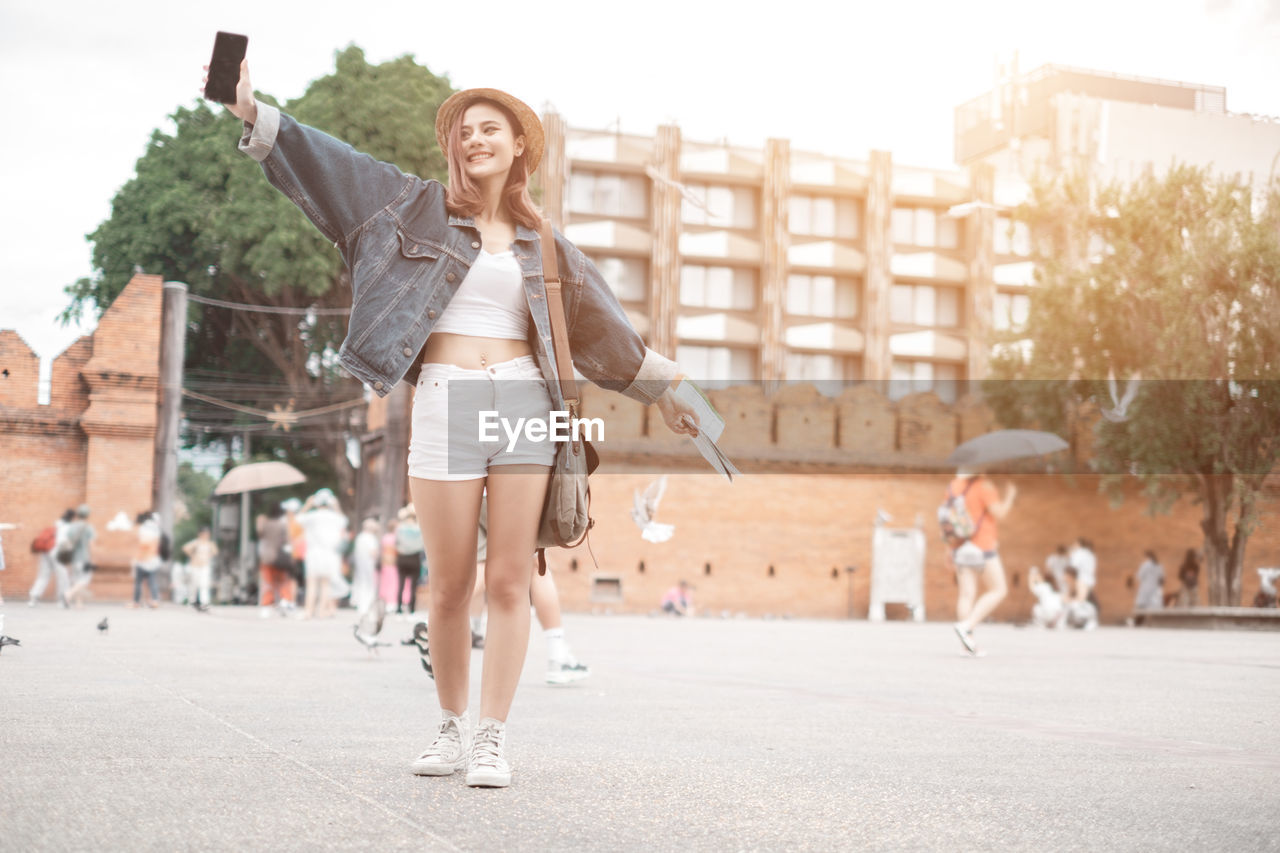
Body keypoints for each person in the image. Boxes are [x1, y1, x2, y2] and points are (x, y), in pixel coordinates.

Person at [213, 62, 699, 787]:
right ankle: (449, 724)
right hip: (445, 398)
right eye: (464, 132)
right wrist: (254, 113)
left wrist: (670, 391)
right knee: (448, 584)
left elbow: (607, 331)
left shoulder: (546, 244)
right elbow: (333, 167)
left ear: (517, 148)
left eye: (489, 129)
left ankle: (493, 738)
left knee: (509, 579)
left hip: (526, 402)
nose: (475, 140)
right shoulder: (410, 207)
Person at [947, 470, 1016, 655]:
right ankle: (967, 627)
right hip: (982, 545)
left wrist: (950, 549)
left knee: (966, 595)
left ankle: (966, 645)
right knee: (999, 589)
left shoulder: (954, 485)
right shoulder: (984, 485)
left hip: (960, 546)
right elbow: (999, 513)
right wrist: (1010, 495)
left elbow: (949, 517)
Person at [298, 489, 349, 620]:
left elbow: (298, 519)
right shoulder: (335, 518)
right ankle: (322, 610)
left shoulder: (313, 516)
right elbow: (344, 521)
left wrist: (308, 505)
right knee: (326, 584)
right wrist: (336, 506)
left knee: (312, 583)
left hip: (314, 553)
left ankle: (308, 611)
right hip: (330, 554)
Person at [28, 509, 74, 607]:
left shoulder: (57, 523)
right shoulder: (68, 527)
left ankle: (34, 597)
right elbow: (64, 542)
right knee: (63, 576)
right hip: (57, 553)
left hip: (46, 551)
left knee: (43, 575)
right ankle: (63, 600)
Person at [256, 503, 295, 617]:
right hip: (280, 558)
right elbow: (287, 541)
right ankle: (284, 602)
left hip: (266, 558)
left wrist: (259, 522)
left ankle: (266, 605)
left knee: (268, 582)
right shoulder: (283, 525)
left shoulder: (266, 524)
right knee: (282, 582)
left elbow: (260, 534)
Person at [63, 505, 97, 609]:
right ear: (87, 515)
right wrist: (93, 558)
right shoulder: (88, 527)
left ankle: (79, 603)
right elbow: (91, 545)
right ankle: (68, 593)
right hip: (84, 558)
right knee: (85, 580)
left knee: (76, 580)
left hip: (73, 558)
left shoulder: (72, 527)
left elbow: (68, 543)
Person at [394, 506, 425, 616]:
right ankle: (411, 609)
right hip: (414, 558)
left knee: (401, 584)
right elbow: (422, 545)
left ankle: (398, 608)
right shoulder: (419, 529)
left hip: (402, 558)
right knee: (413, 585)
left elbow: (396, 543)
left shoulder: (400, 528)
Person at [128, 512, 163, 609]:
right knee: (152, 581)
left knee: (138, 582)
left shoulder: (144, 528)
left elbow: (143, 545)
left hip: (143, 560)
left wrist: (136, 558)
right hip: (153, 560)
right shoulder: (156, 529)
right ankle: (154, 600)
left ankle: (136, 602)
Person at [182, 527, 218, 612]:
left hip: (205, 566)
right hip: (195, 566)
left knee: (204, 584)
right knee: (194, 584)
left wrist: (209, 556)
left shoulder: (209, 543)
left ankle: (204, 603)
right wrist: (192, 555)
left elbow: (215, 551)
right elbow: (185, 548)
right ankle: (192, 601)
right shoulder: (196, 542)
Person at [350, 518, 381, 616]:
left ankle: (360, 604)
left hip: (360, 565)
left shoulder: (360, 537)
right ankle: (368, 606)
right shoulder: (371, 538)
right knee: (369, 585)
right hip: (368, 565)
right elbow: (373, 552)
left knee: (361, 583)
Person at [1068, 537, 1099, 619]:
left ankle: (1083, 618)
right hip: (1090, 579)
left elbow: (1073, 565)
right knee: (1084, 598)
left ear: (1078, 544)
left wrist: (1071, 554)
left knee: (1080, 599)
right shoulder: (1090, 554)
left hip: (1082, 578)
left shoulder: (1079, 553)